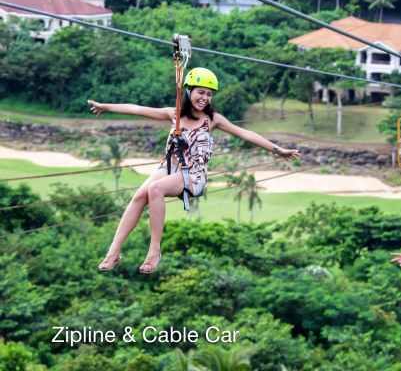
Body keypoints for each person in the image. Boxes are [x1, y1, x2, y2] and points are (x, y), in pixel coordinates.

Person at [88, 68, 300, 274]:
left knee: (155, 189)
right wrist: (106, 107)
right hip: (169, 167)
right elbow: (137, 109)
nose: (205, 98)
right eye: (201, 92)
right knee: (139, 196)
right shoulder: (175, 114)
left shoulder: (213, 119)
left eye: (209, 94)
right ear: (188, 91)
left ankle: (154, 251)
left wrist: (278, 150)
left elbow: (245, 133)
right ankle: (114, 251)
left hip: (194, 174)